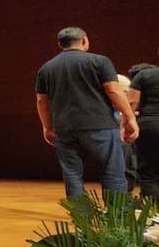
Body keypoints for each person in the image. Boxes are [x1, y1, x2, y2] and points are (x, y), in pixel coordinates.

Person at [36, 27, 139, 199]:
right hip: (100, 125)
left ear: (60, 44)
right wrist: (129, 117)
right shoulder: (100, 61)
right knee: (112, 171)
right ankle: (117, 220)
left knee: (72, 174)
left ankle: (81, 218)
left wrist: (47, 127)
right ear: (84, 40)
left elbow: (41, 101)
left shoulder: (46, 68)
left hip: (64, 128)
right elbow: (114, 91)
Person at [129, 60, 159, 198]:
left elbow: (132, 101)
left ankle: (153, 210)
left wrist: (127, 123)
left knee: (148, 170)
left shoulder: (144, 75)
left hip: (149, 123)